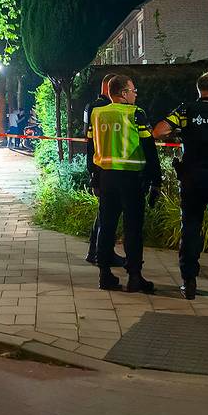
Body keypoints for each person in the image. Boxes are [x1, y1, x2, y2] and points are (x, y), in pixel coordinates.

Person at [154, 71, 208, 300]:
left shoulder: (186, 110)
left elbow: (159, 131)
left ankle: (189, 282)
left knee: (191, 228)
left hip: (192, 177)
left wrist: (178, 134)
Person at [88, 75, 161, 293]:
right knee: (133, 228)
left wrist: (93, 175)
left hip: (106, 177)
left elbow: (90, 147)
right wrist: (156, 180)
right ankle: (135, 277)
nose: (135, 94)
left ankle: (104, 275)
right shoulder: (136, 114)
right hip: (131, 179)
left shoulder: (97, 113)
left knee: (106, 225)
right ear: (123, 93)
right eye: (133, 90)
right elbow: (149, 148)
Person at [83, 76, 113, 266]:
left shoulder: (90, 106)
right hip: (104, 166)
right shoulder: (107, 108)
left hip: (95, 163)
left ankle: (96, 251)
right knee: (105, 212)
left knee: (104, 210)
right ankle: (98, 253)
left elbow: (87, 134)